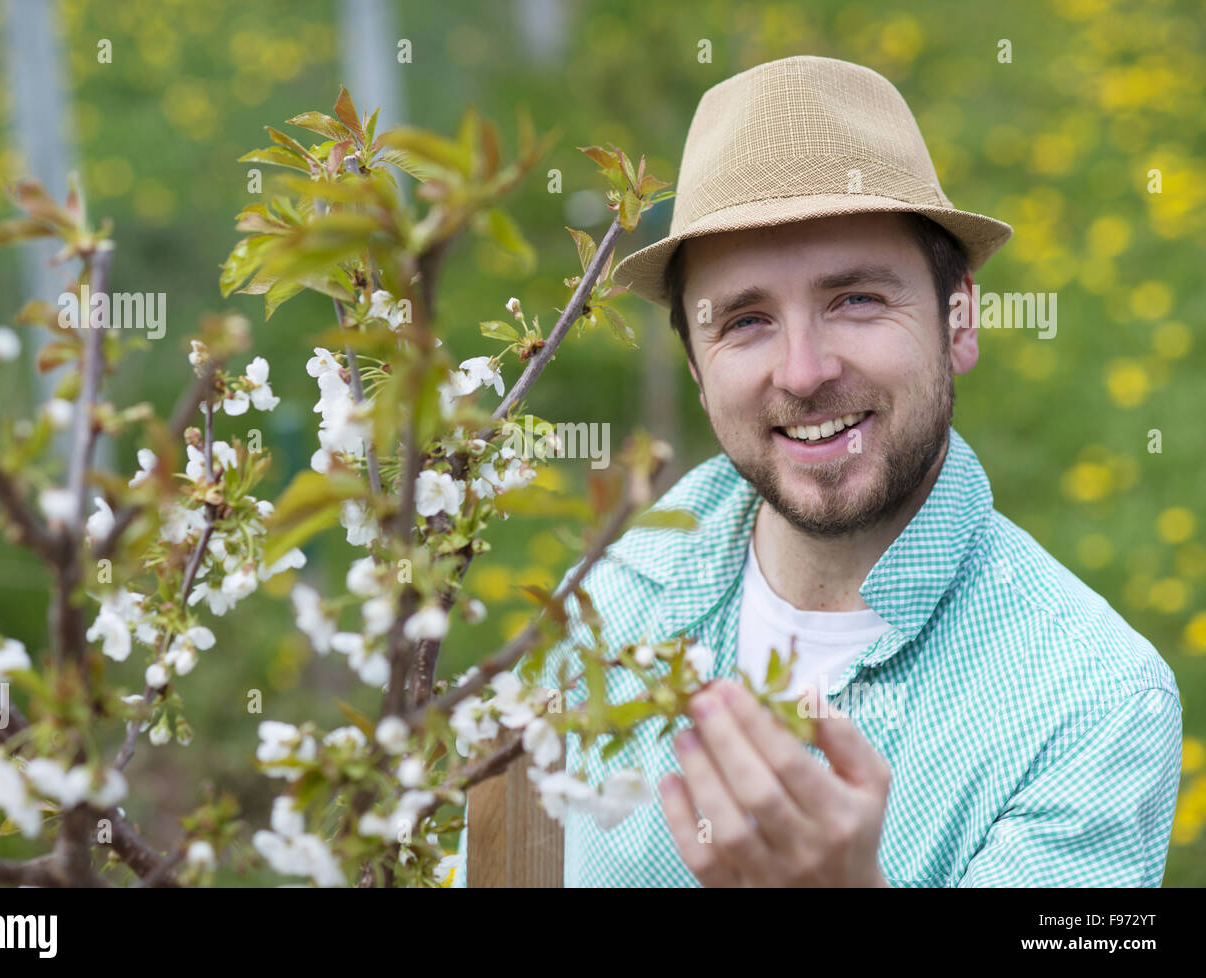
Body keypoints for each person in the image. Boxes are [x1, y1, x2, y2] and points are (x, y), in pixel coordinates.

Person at [456, 54, 1181, 888]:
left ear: (961, 318)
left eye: (857, 300)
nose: (803, 373)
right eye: (746, 320)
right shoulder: (612, 591)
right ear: (696, 367)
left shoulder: (1096, 708)